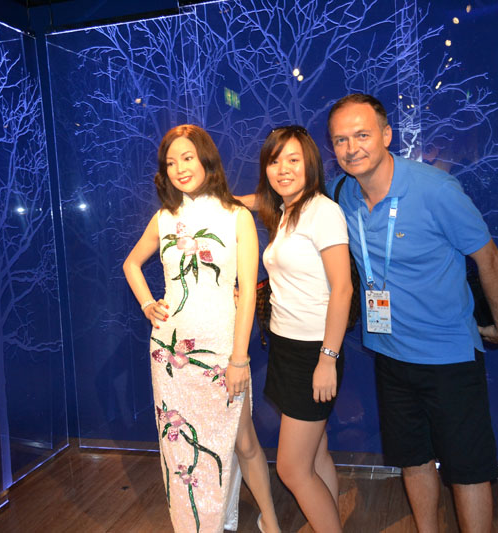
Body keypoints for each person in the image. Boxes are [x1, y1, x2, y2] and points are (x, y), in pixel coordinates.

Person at [326, 94, 498, 533]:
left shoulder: (435, 189)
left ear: (386, 135)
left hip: (449, 356)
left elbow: (487, 257)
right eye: (340, 140)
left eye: (361, 135)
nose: (351, 148)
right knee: (412, 459)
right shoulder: (341, 193)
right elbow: (284, 194)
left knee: (467, 468)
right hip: (391, 355)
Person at [123, 125, 279, 533]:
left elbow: (248, 293)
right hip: (171, 352)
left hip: (223, 348)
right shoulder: (164, 218)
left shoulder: (237, 217)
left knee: (243, 439)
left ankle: (270, 520)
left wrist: (239, 358)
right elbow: (131, 264)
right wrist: (148, 304)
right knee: (180, 446)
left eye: (187, 157)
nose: (179, 168)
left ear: (206, 159)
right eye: (170, 162)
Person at [254, 126, 352, 532]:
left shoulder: (322, 211)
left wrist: (327, 359)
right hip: (286, 347)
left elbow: (342, 288)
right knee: (316, 453)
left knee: (292, 469)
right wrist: (215, 197)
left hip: (314, 352)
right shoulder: (286, 210)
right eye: (274, 161)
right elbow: (252, 200)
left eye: (293, 160)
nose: (283, 169)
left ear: (310, 164)